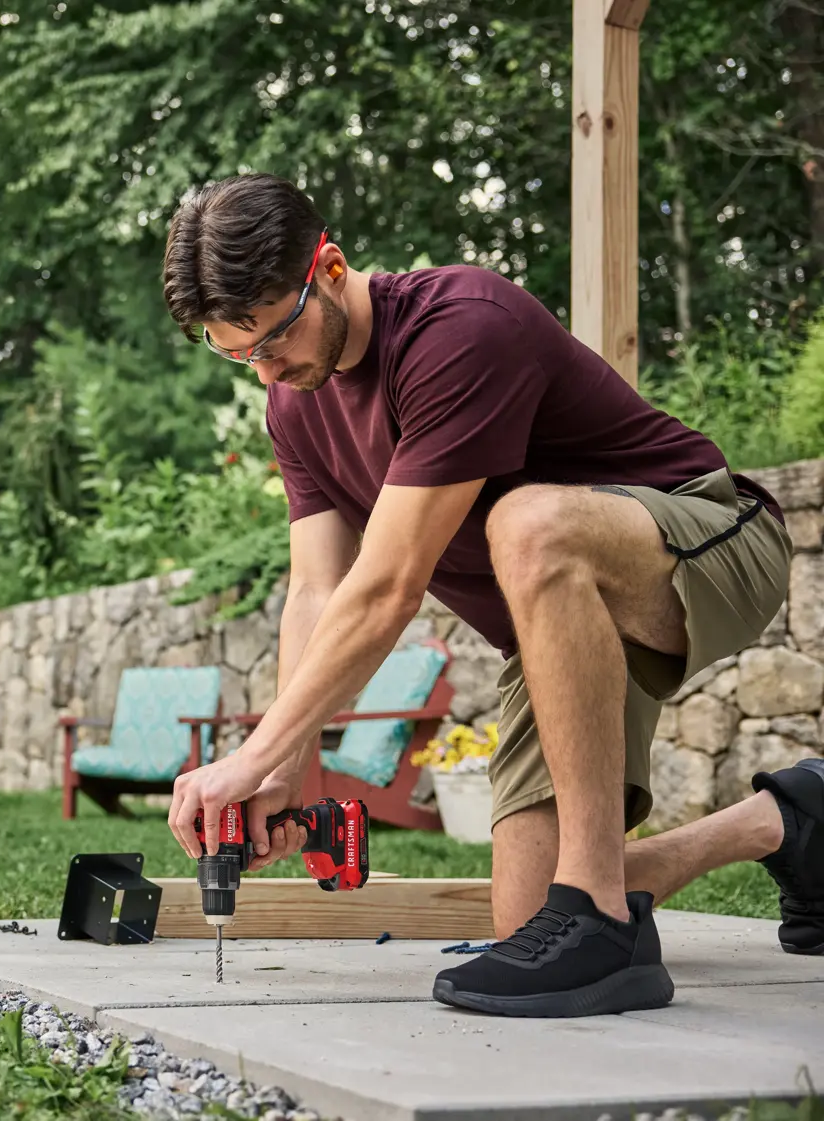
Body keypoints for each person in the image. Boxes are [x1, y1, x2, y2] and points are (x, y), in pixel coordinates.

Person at [158, 172, 824, 1018]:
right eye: (236, 352)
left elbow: (389, 585)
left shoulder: (460, 327)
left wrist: (248, 754)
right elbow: (318, 590)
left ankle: (603, 920)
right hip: (558, 625)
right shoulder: (296, 407)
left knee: (528, 522)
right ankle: (788, 820)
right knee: (529, 920)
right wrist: (292, 766)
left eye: (272, 338)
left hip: (711, 533)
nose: (265, 372)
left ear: (329, 268)